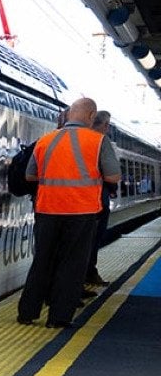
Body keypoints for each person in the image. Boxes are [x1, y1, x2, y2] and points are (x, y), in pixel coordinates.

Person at [17, 97, 121, 328]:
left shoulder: (46, 140)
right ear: (92, 116)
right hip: (80, 211)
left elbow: (30, 175)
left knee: (42, 260)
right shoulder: (98, 141)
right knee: (71, 264)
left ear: (69, 114)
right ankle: (58, 318)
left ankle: (27, 313)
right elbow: (113, 177)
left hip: (46, 209)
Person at [84, 109, 115, 287]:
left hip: (71, 202)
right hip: (96, 201)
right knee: (92, 242)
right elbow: (113, 175)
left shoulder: (77, 139)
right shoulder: (101, 141)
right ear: (105, 125)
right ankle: (87, 275)